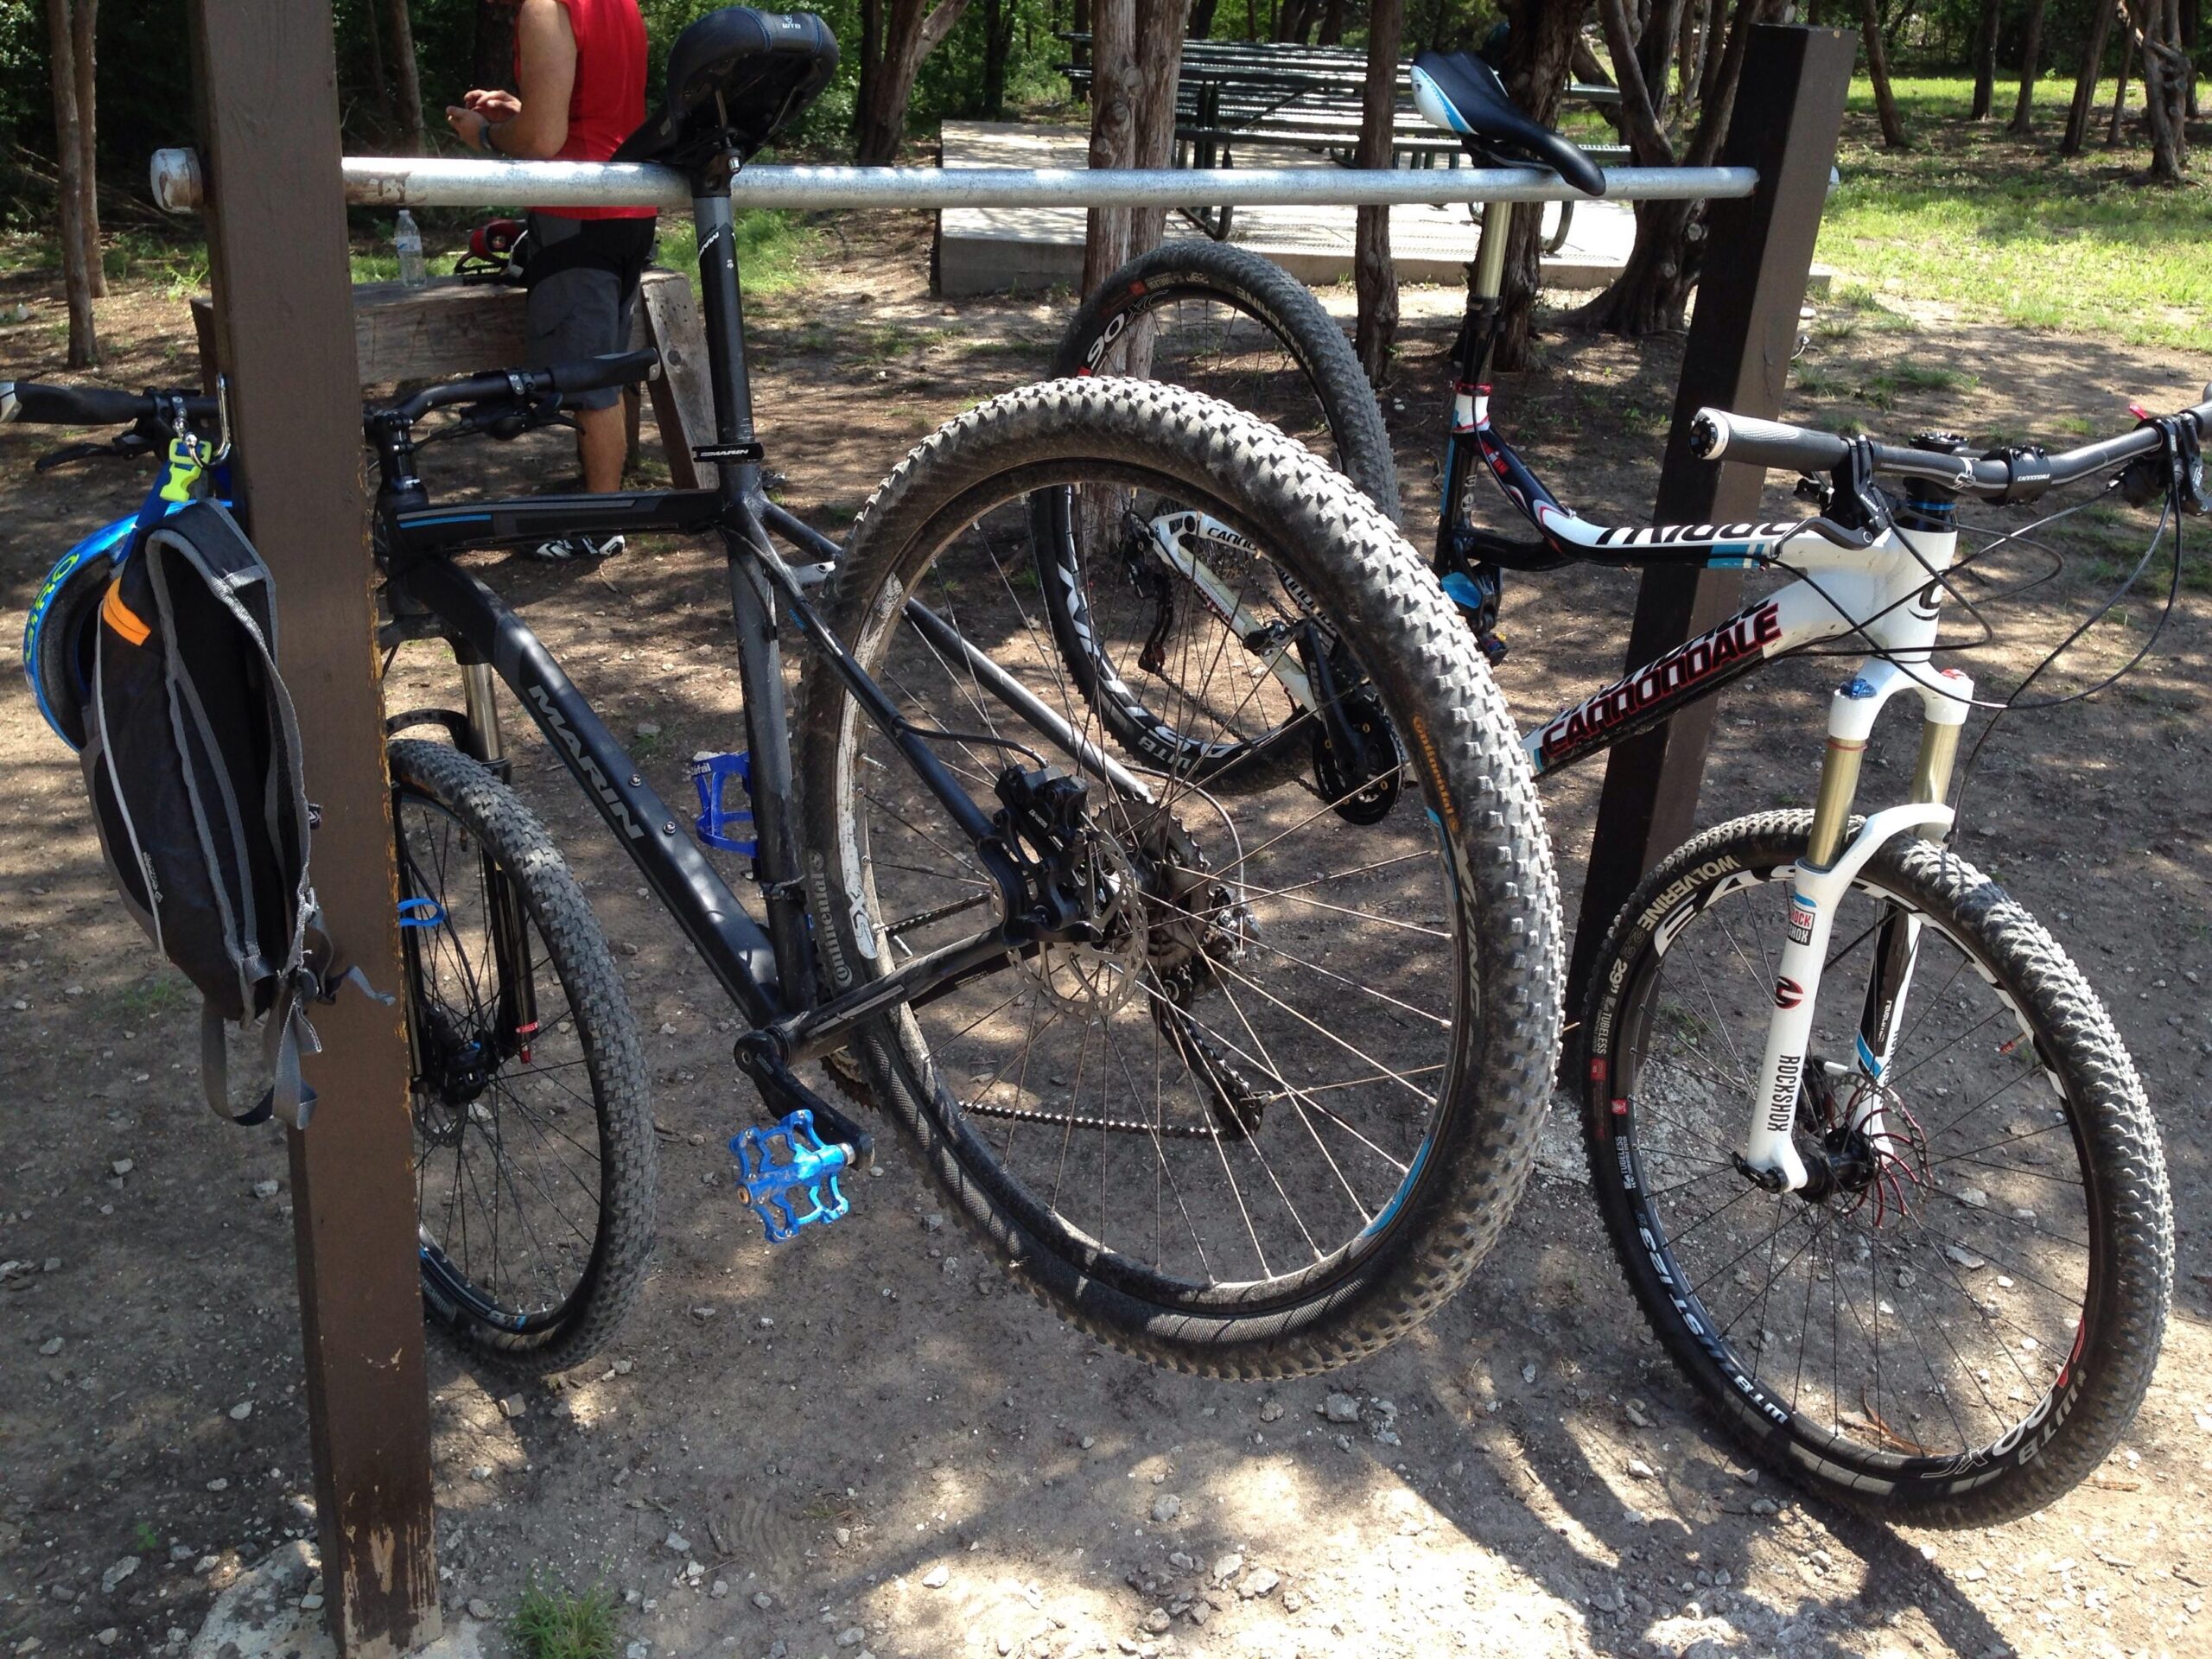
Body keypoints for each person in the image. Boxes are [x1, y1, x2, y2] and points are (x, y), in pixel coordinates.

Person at [445, 0, 656, 561]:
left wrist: (486, 136)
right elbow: (584, 112)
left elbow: (541, 140)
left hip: (576, 209)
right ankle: (601, 512)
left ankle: (599, 524)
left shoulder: (545, 6)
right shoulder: (621, 5)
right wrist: (517, 111)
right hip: (629, 202)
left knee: (588, 381)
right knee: (603, 371)